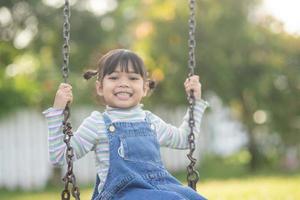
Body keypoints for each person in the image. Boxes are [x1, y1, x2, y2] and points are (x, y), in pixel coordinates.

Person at [43, 49, 209, 200]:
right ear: (100, 87)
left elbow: (186, 139)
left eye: (133, 78)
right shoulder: (97, 124)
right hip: (121, 194)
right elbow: (59, 156)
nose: (123, 83)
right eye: (114, 77)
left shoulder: (151, 121)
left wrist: (196, 102)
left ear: (144, 88)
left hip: (161, 187)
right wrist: (58, 110)